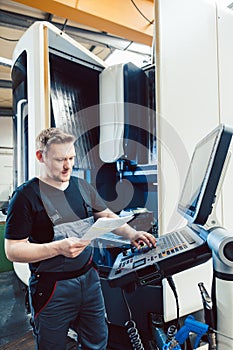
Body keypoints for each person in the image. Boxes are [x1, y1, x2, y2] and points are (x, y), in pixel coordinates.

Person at [4, 127, 156, 350]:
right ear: (41, 157)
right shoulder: (26, 196)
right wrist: (58, 248)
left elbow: (105, 215)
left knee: (97, 342)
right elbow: (13, 250)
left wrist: (131, 233)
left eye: (71, 158)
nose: (67, 165)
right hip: (53, 286)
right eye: (59, 160)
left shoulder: (82, 187)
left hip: (89, 281)